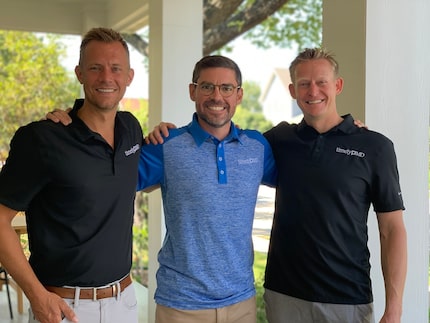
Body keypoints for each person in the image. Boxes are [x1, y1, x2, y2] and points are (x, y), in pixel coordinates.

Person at [47, 55, 277, 323]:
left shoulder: (257, 147)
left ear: (238, 95)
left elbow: (303, 182)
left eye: (226, 88)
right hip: (181, 305)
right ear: (192, 91)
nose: (217, 96)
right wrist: (71, 126)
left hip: (242, 304)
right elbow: (104, 174)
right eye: (207, 87)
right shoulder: (166, 145)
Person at [0, 27, 142, 323]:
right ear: (79, 73)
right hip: (64, 309)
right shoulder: (42, 139)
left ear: (129, 76)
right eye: (95, 68)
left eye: (116, 68)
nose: (106, 78)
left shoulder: (131, 130)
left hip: (125, 303)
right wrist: (36, 294)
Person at [262, 48, 407, 323]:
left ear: (337, 85)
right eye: (304, 83)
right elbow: (229, 145)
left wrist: (394, 308)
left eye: (321, 82)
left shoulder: (375, 147)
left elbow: (392, 229)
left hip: (347, 299)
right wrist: (165, 134)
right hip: (284, 296)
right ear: (293, 90)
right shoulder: (279, 140)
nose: (312, 90)